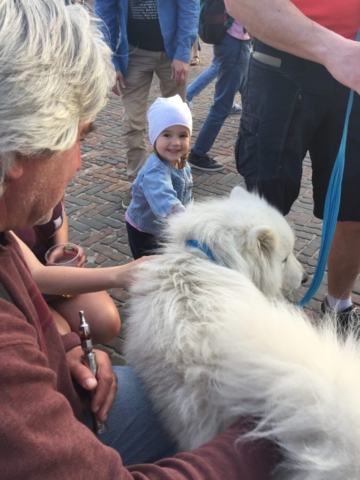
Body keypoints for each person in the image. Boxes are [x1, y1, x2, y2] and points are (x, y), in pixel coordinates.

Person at [0, 1, 279, 478]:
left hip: (68, 393)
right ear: (23, 148)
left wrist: (62, 356)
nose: (80, 164)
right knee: (219, 414)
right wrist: (264, 438)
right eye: (81, 139)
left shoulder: (6, 236)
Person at [225, 0, 360, 328]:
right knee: (264, 207)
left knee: (355, 208)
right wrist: (335, 50)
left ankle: (338, 307)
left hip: (355, 74)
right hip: (281, 67)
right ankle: (252, 313)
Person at [94, 0, 199, 209]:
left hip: (171, 52)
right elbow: (104, 14)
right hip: (133, 53)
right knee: (133, 122)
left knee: (177, 122)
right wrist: (110, 61)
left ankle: (174, 180)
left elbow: (189, 6)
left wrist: (182, 52)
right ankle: (139, 184)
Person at [15, 201, 121, 344]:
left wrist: (62, 246)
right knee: (60, 335)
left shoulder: (46, 183)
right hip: (17, 284)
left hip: (46, 269)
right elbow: (36, 275)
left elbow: (59, 214)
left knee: (105, 320)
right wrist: (122, 274)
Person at [126, 95, 193, 259]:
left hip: (168, 226)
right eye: (167, 135)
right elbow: (167, 203)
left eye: (182, 135)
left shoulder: (181, 161)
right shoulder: (154, 171)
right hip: (145, 231)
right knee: (148, 269)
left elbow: (187, 195)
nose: (176, 142)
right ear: (154, 138)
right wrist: (191, 227)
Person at [187, 14, 251, 172]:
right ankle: (198, 153)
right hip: (235, 40)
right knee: (222, 104)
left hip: (232, 38)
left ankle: (252, 146)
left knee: (244, 93)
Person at [186, 47, 243, 114]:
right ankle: (187, 95)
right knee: (218, 66)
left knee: (224, 67)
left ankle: (224, 101)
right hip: (230, 39)